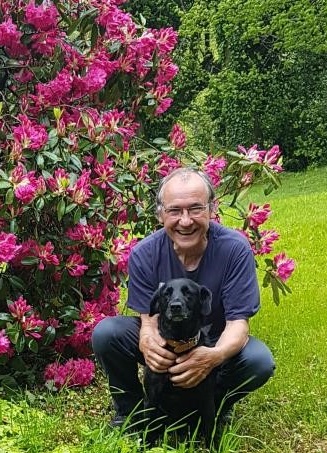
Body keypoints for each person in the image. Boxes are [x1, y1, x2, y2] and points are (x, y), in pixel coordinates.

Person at [92, 166, 275, 429]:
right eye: (175, 210)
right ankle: (130, 413)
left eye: (196, 208)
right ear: (160, 214)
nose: (185, 220)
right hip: (166, 342)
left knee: (259, 361)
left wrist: (212, 356)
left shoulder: (235, 249)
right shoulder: (144, 253)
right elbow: (148, 321)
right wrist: (150, 346)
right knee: (107, 332)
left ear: (212, 210)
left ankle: (214, 406)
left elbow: (238, 325)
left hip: (213, 343)